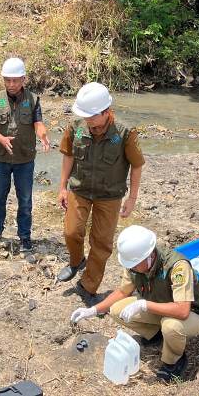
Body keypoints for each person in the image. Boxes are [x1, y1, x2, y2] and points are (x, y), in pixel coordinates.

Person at [70, 225, 199, 382]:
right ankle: (157, 335)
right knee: (117, 309)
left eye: (136, 264)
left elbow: (182, 311)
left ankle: (174, 361)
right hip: (160, 305)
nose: (133, 268)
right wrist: (93, 310)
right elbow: (123, 292)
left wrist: (145, 305)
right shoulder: (134, 264)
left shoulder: (177, 267)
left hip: (195, 314)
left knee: (171, 325)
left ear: (150, 255)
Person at [56, 82, 145, 303]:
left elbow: (137, 165)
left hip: (110, 195)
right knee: (71, 232)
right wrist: (62, 187)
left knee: (102, 243)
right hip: (80, 188)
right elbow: (68, 156)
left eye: (92, 116)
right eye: (85, 116)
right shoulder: (75, 126)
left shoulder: (125, 133)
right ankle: (76, 261)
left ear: (106, 112)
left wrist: (132, 198)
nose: (88, 121)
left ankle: (88, 285)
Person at [0, 57, 50, 252]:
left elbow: (38, 122)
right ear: (4, 79)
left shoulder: (33, 99)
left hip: (25, 159)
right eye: (8, 80)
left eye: (15, 80)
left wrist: (43, 134)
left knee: (25, 200)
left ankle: (25, 236)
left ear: (23, 79)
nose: (11, 84)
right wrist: (1, 139)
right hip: (1, 159)